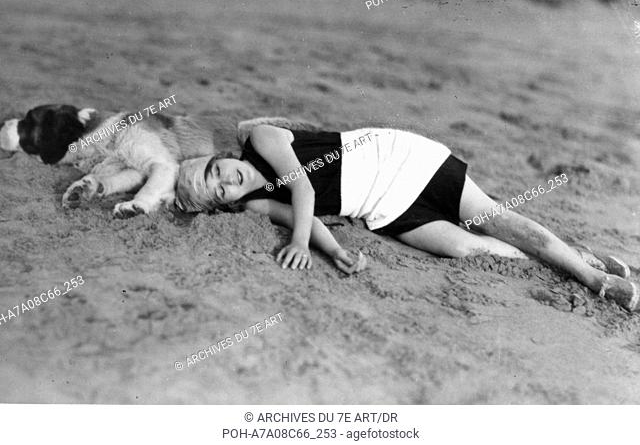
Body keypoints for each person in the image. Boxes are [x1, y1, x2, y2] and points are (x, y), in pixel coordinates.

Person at [175, 125, 639, 312]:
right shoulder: (253, 203)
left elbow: (304, 189)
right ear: (224, 204)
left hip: (404, 161)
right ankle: (578, 256)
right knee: (465, 249)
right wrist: (335, 251)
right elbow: (308, 218)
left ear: (221, 156)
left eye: (218, 171)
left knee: (496, 220)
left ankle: (592, 278)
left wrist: (296, 244)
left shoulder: (261, 140)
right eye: (220, 193)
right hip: (385, 208)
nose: (229, 181)